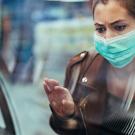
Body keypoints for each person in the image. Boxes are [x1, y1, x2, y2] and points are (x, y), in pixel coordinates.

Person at [43, 0, 135, 134]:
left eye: (119, 27)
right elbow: (73, 130)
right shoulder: (81, 68)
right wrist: (67, 114)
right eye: (100, 29)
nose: (108, 38)